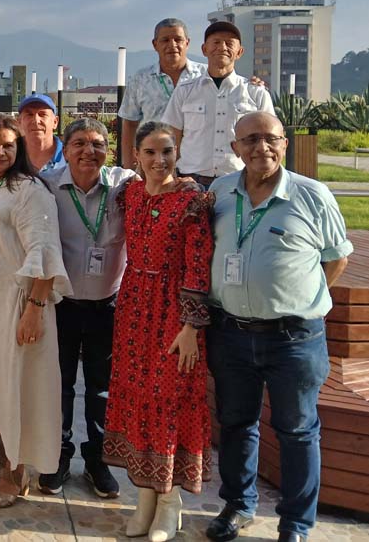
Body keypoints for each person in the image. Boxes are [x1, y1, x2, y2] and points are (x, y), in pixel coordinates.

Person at [205, 112, 351, 542]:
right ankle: (238, 505)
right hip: (230, 332)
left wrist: (301, 300)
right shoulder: (218, 193)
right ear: (235, 148)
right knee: (235, 423)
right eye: (249, 139)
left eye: (270, 138)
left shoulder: (312, 195)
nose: (260, 147)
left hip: (294, 338)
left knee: (298, 430)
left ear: (285, 143)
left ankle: (296, 524)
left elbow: (336, 257)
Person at [102, 122, 214, 541]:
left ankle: (170, 502)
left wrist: (190, 325)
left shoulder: (191, 201)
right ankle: (145, 494)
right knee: (136, 394)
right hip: (133, 305)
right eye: (150, 152)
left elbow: (198, 264)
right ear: (136, 156)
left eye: (166, 151)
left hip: (173, 309)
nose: (158, 160)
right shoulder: (129, 193)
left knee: (169, 397)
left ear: (177, 152)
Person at [0, 115, 70, 509]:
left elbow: (44, 250)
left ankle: (15, 469)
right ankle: (9, 453)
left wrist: (35, 308)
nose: (0, 152)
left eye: (8, 145)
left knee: (15, 387)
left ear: (18, 149)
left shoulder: (28, 190)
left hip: (19, 301)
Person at [40, 118, 137, 499]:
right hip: (61, 304)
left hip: (107, 304)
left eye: (97, 143)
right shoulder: (47, 186)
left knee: (102, 389)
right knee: (59, 385)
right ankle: (59, 456)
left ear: (108, 150)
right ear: (65, 146)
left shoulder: (125, 185)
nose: (87, 151)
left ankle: (97, 460)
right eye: (78, 143)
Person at [162, 21, 275, 187]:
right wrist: (171, 177)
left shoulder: (256, 93)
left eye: (229, 43)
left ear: (240, 52)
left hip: (239, 181)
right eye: (216, 42)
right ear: (204, 49)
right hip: (190, 181)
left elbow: (271, 141)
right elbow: (170, 139)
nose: (222, 47)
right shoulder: (185, 91)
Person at [118, 19, 207, 166]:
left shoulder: (205, 76)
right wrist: (128, 168)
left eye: (178, 39)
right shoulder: (140, 79)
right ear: (155, 44)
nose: (172, 45)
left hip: (195, 166)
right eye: (165, 40)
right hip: (154, 165)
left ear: (187, 42)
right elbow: (130, 124)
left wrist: (254, 84)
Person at [18, 94, 65, 173]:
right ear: (19, 122)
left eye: (42, 114)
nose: (36, 120)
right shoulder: (10, 157)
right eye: (29, 114)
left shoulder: (70, 157)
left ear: (55, 122)